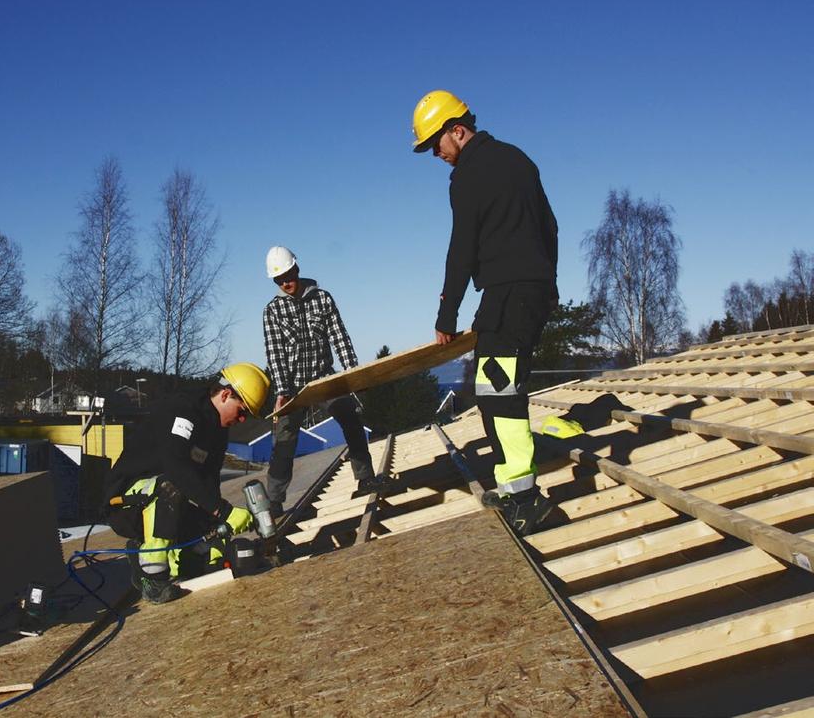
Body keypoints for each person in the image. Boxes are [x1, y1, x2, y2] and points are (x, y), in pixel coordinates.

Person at [411, 89, 559, 536]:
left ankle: (526, 497)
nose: (435, 153)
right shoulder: (519, 159)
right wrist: (546, 279)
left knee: (499, 390)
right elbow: (549, 226)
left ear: (458, 130)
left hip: (508, 292)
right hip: (529, 290)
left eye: (436, 143)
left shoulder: (469, 176)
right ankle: (512, 486)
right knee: (493, 382)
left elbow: (463, 247)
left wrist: (446, 313)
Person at [103, 362, 270, 603]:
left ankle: (148, 555)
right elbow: (176, 466)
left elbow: (208, 481)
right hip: (125, 502)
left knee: (202, 552)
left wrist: (215, 525)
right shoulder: (184, 410)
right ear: (225, 395)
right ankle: (153, 578)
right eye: (241, 411)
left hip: (165, 505)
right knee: (169, 486)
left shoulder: (217, 429)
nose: (242, 420)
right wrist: (224, 511)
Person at [262, 246, 395, 516]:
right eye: (279, 280)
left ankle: (365, 478)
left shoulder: (322, 299)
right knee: (284, 441)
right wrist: (283, 391)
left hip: (324, 379)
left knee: (351, 418)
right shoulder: (272, 311)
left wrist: (353, 374)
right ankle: (275, 502)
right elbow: (275, 354)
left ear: (297, 269)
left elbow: (339, 337)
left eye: (288, 275)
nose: (286, 283)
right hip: (294, 388)